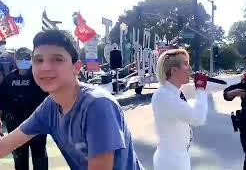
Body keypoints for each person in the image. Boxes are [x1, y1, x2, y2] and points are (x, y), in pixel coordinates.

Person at [0, 30, 143, 170]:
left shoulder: (97, 105)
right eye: (38, 60)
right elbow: (6, 144)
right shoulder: (50, 106)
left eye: (57, 59)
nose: (45, 67)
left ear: (76, 67)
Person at [151, 48, 209, 170]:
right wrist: (200, 89)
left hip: (177, 157)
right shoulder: (165, 96)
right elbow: (198, 118)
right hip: (171, 161)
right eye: (186, 63)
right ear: (174, 70)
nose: (190, 68)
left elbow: (210, 86)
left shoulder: (175, 91)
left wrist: (241, 78)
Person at [0, 47, 49, 170]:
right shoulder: (9, 79)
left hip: (37, 126)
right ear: (15, 59)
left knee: (40, 157)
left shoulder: (39, 77)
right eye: (21, 58)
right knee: (20, 159)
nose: (24, 60)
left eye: (27, 58)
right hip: (15, 127)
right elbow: (1, 101)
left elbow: (50, 99)